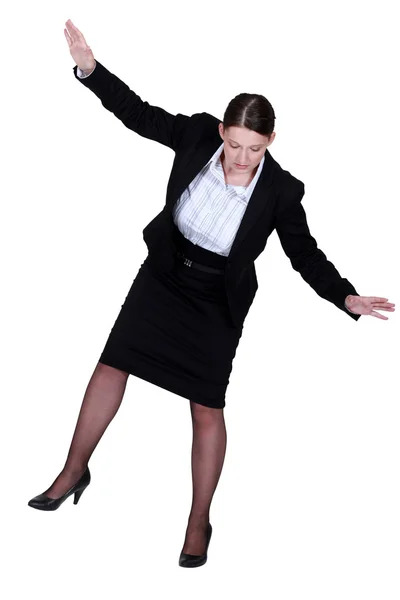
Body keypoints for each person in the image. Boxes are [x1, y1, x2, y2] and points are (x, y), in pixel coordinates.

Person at [28, 19, 395, 568]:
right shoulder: (199, 135)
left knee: (206, 407)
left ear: (270, 141)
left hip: (215, 302)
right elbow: (140, 114)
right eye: (236, 143)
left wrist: (344, 297)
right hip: (164, 276)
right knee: (110, 367)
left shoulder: (282, 191)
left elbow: (304, 253)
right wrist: (89, 70)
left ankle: (199, 520)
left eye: (254, 147)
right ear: (223, 131)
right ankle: (72, 469)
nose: (242, 158)